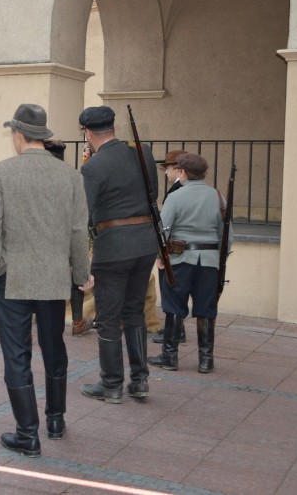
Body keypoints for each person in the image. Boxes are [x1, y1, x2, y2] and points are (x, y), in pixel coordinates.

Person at [0, 104, 93, 458]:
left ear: (17, 135)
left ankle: (27, 435)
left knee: (17, 354)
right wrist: (80, 272)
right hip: (53, 276)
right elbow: (78, 231)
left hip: (11, 277)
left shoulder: (1, 173)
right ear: (42, 136)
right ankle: (56, 420)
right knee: (53, 345)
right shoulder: (71, 176)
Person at [79, 105, 158, 404]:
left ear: (87, 132)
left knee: (109, 317)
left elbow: (83, 214)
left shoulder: (93, 167)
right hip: (145, 243)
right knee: (134, 312)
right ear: (112, 126)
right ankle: (140, 381)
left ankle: (111, 384)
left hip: (113, 247)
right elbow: (153, 196)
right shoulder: (143, 153)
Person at [149, 153, 227, 373]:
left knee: (174, 306)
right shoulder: (219, 197)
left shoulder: (176, 197)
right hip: (210, 261)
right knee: (206, 309)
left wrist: (160, 257)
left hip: (180, 259)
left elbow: (163, 230)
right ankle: (205, 360)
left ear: (182, 172)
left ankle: (170, 357)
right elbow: (227, 235)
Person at [151, 149, 189, 345]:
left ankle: (175, 331)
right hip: (183, 250)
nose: (165, 173)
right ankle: (176, 329)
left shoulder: (177, 190)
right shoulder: (182, 188)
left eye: (167, 168)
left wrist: (160, 252)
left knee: (171, 291)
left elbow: (166, 225)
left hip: (173, 249)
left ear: (178, 169)